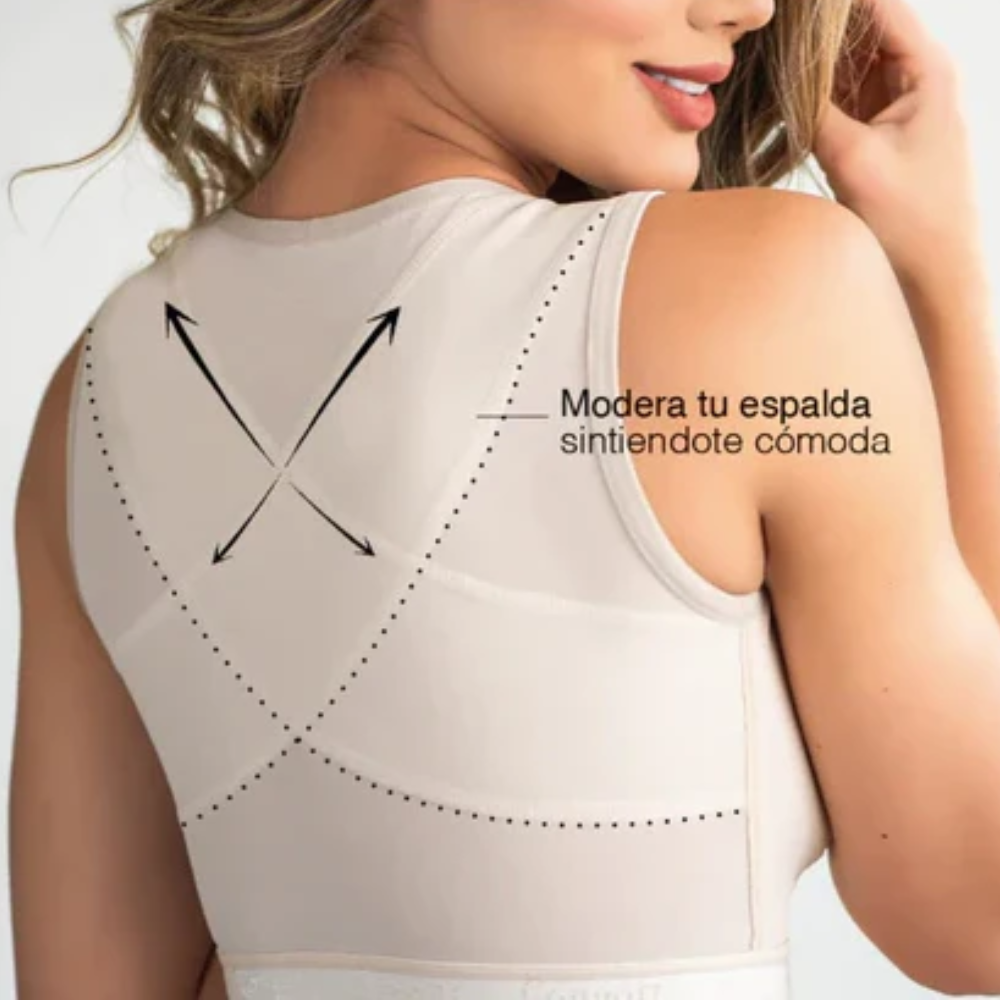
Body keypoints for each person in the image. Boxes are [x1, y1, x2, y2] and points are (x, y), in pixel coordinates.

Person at [8, 0, 1000, 997]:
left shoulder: (96, 397)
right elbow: (974, 917)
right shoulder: (769, 287)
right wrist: (944, 274)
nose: (744, 9)